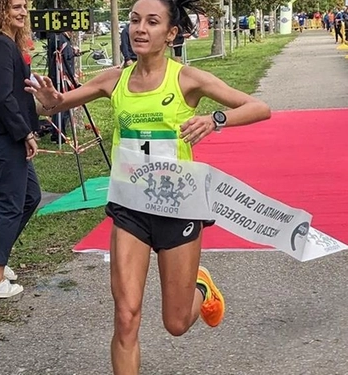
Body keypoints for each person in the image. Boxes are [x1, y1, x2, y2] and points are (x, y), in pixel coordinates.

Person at [25, 0, 271, 372]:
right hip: (130, 209)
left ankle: (200, 287)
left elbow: (258, 107)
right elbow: (56, 105)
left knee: (175, 324)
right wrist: (49, 102)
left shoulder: (187, 79)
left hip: (179, 208)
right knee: (126, 316)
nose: (139, 28)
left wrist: (214, 119)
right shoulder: (114, 79)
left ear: (170, 34)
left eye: (152, 22)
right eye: (134, 20)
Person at [0, 0, 41, 298]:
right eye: (16, 5)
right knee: (11, 204)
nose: (23, 11)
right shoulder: (0, 45)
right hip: (5, 137)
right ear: (0, 9)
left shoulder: (7, 43)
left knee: (31, 196)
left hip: (9, 135)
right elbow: (3, 98)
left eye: (25, 6)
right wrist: (25, 132)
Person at [47, 31, 79, 142]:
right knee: (62, 105)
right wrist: (70, 77)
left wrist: (73, 52)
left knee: (63, 106)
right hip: (61, 76)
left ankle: (60, 132)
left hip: (62, 75)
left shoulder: (64, 38)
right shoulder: (59, 38)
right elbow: (62, 60)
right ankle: (58, 134)